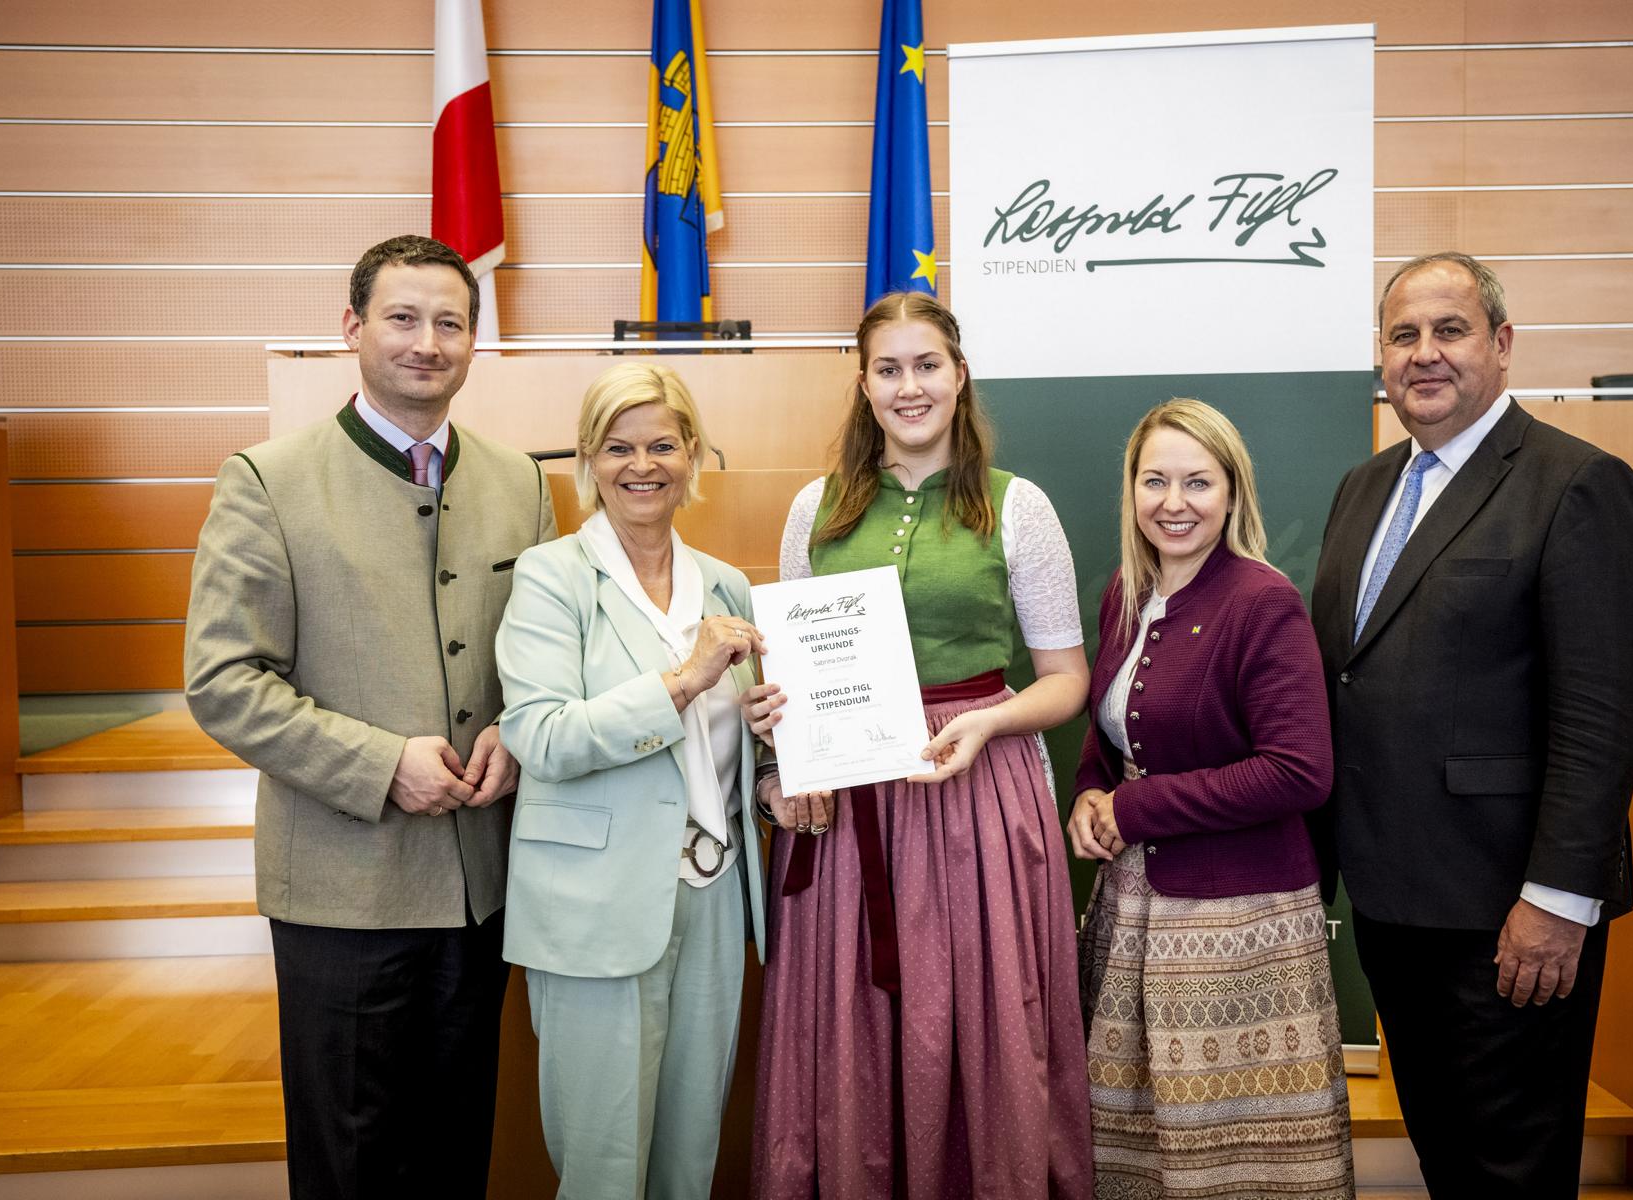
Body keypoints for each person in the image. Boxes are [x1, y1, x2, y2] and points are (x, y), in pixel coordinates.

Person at [184, 234, 557, 1198]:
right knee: (350, 1160)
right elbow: (224, 681)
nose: (427, 342)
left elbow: (545, 658)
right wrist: (382, 763)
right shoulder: (267, 481)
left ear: (473, 341)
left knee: (456, 1151)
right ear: (352, 327)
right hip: (341, 892)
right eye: (402, 318)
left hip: (481, 886)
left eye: (450, 322)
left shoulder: (520, 482)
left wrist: (521, 729)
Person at [1309, 252, 1633, 1197]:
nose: (1424, 353)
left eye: (1450, 330)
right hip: (1390, 904)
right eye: (1403, 335)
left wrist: (1558, 901)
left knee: (1512, 1172)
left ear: (1502, 345)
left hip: (1509, 916)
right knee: (1449, 1161)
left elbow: (1601, 720)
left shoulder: (1576, 485)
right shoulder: (1363, 488)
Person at [744, 292, 1093, 1198]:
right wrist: (779, 731)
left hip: (975, 784)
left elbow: (1067, 680)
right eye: (889, 369)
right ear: (863, 384)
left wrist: (988, 722)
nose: (910, 387)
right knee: (849, 1011)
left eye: (927, 365)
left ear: (960, 375)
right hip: (848, 791)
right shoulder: (815, 507)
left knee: (976, 1008)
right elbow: (792, 666)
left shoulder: (1018, 506)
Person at [493, 362, 769, 1199]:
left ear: (692, 455)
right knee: (604, 1168)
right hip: (595, 905)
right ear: (588, 458)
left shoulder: (727, 585)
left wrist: (774, 771)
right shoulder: (550, 576)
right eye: (618, 448)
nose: (641, 465)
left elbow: (733, 752)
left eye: (662, 445)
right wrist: (683, 680)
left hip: (714, 897)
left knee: (690, 1155)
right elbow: (541, 736)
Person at [1069, 399, 1353, 1199]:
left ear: (1232, 493)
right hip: (1132, 911)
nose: (1174, 502)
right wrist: (1090, 791)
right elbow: (1112, 727)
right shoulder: (1127, 592)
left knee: (1235, 1162)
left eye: (1198, 482)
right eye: (1154, 481)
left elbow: (1299, 771)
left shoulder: (1263, 602)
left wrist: (1133, 810)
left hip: (1239, 926)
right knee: (1135, 1153)